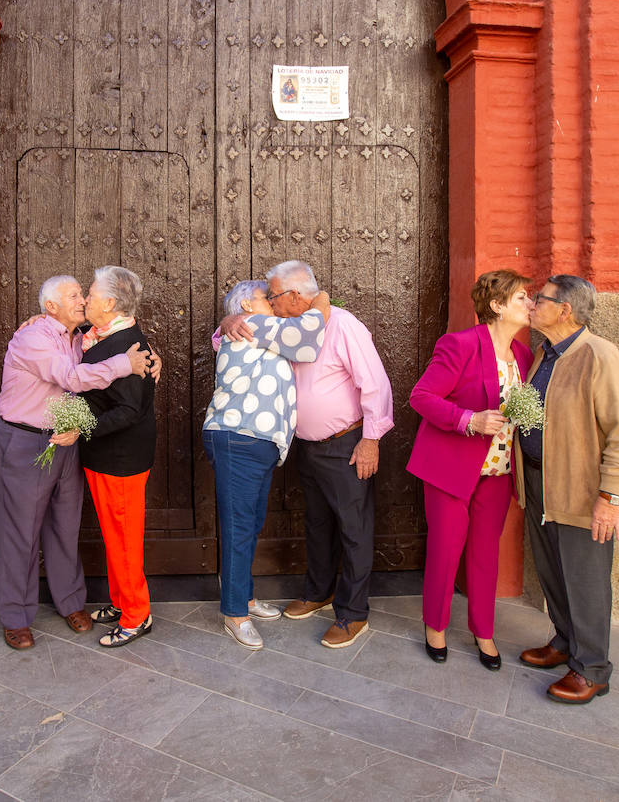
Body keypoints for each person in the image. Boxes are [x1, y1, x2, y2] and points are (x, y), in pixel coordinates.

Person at [226, 260, 393, 648]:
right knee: (317, 524)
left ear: (296, 297)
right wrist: (226, 321)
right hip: (308, 446)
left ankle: (353, 614)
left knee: (354, 529)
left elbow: (375, 383)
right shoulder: (286, 328)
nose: (269, 301)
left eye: (273, 295)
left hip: (347, 444)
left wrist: (371, 439)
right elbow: (228, 338)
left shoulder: (343, 325)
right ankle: (319, 592)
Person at [0, 274, 153, 650]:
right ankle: (16, 616)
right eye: (75, 295)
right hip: (25, 441)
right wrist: (124, 365)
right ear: (50, 307)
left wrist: (148, 358)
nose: (82, 300)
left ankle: (70, 602)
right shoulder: (33, 337)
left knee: (65, 527)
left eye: (85, 293)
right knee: (20, 533)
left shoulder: (78, 336)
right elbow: (70, 377)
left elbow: (120, 334)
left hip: (66, 441)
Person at [517, 274, 619, 704]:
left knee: (585, 577)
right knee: (552, 568)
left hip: (580, 488)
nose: (533, 305)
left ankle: (592, 668)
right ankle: (566, 640)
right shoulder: (546, 354)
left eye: (541, 299)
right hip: (540, 480)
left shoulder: (599, 355)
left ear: (565, 309)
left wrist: (611, 498)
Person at [407, 270, 534, 670]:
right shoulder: (459, 345)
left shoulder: (525, 355)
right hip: (450, 469)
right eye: (521, 299)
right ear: (496, 306)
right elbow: (421, 396)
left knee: (485, 555)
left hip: (498, 472)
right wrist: (468, 420)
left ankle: (483, 631)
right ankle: (436, 627)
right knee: (446, 551)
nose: (530, 305)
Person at [204, 279, 329, 649]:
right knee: (239, 527)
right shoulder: (253, 326)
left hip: (255, 441)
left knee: (250, 524)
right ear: (245, 309)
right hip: (238, 438)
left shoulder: (257, 330)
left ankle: (244, 598)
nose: (272, 305)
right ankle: (234, 614)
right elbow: (307, 336)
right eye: (264, 299)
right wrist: (321, 301)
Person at [77, 266, 157, 648]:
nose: (85, 299)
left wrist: (81, 427)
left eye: (90, 294)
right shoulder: (100, 336)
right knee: (114, 537)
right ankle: (121, 600)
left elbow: (129, 410)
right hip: (103, 456)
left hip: (120, 459)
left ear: (109, 303)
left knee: (124, 539)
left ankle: (137, 615)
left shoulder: (130, 345)